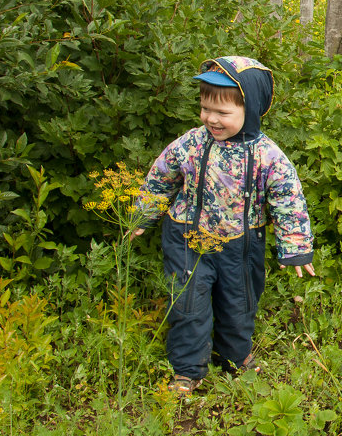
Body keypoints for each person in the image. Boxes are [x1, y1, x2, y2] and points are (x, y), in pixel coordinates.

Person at [135, 56, 315, 397]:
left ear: (252, 109)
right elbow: (162, 176)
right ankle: (187, 370)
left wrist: (295, 246)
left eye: (222, 113)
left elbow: (288, 200)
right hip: (187, 237)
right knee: (188, 304)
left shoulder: (267, 156)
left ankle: (234, 358)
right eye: (206, 109)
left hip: (241, 245)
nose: (211, 119)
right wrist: (144, 214)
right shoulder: (192, 143)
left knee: (239, 303)